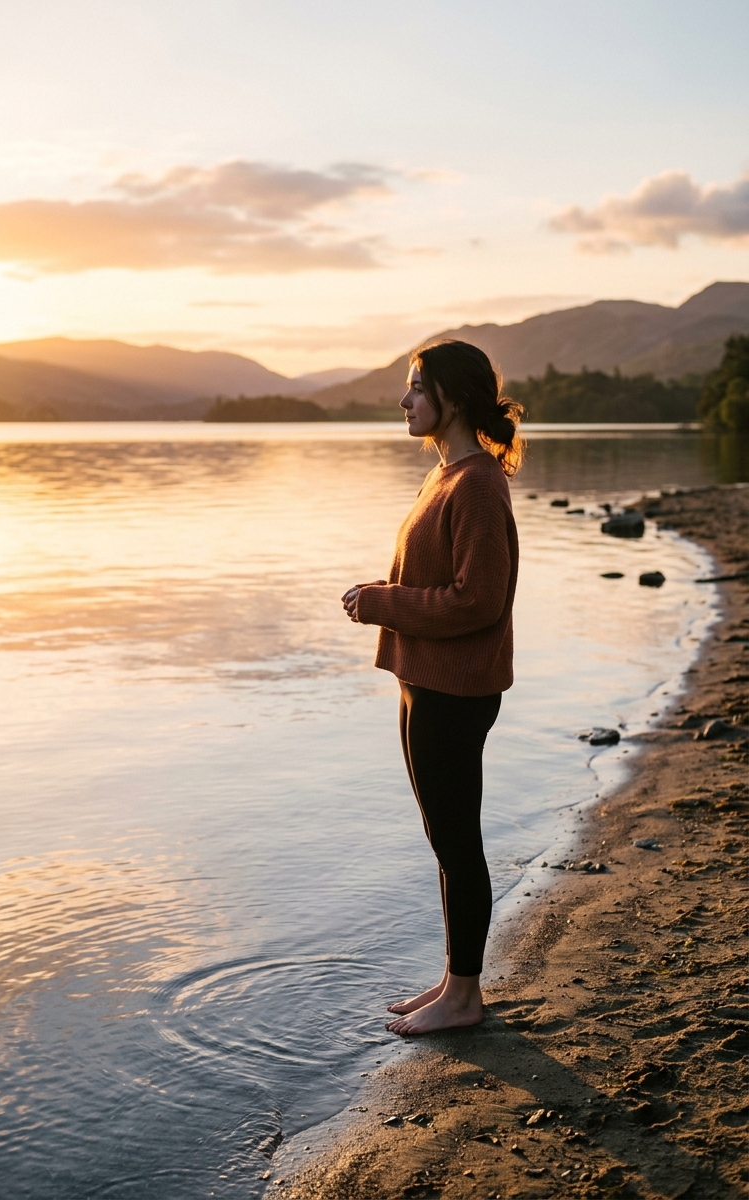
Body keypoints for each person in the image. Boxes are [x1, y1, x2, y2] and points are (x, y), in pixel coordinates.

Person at [341, 339, 523, 1035]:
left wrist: (384, 603)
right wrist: (384, 596)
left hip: (456, 688)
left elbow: (478, 600)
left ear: (450, 396)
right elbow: (436, 582)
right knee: (444, 835)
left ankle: (466, 997)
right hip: (425, 680)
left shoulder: (476, 483)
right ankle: (455, 981)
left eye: (417, 387)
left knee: (456, 840)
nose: (405, 399)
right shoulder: (445, 477)